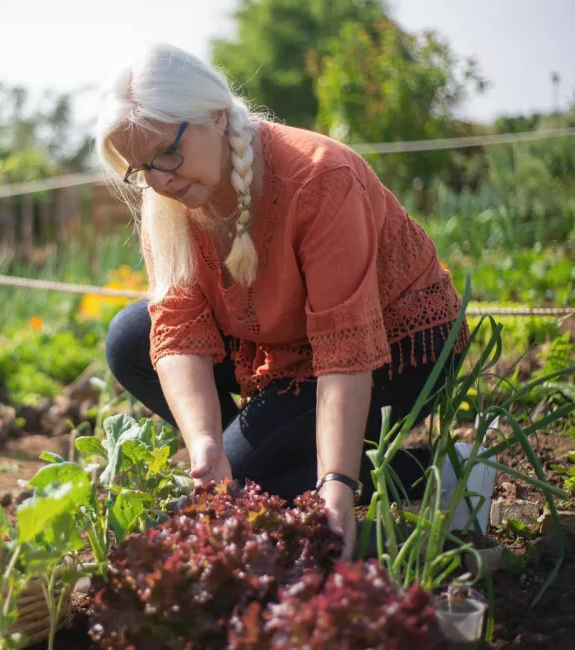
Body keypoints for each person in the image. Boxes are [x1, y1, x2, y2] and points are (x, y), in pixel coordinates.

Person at [96, 44, 471, 560]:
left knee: (251, 479)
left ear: (215, 115)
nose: (159, 180)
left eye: (166, 153)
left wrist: (336, 483)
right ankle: (256, 456)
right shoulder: (170, 200)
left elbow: (345, 350)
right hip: (285, 344)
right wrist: (206, 444)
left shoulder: (320, 178)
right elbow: (178, 327)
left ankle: (448, 472)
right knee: (130, 338)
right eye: (141, 169)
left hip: (397, 347)